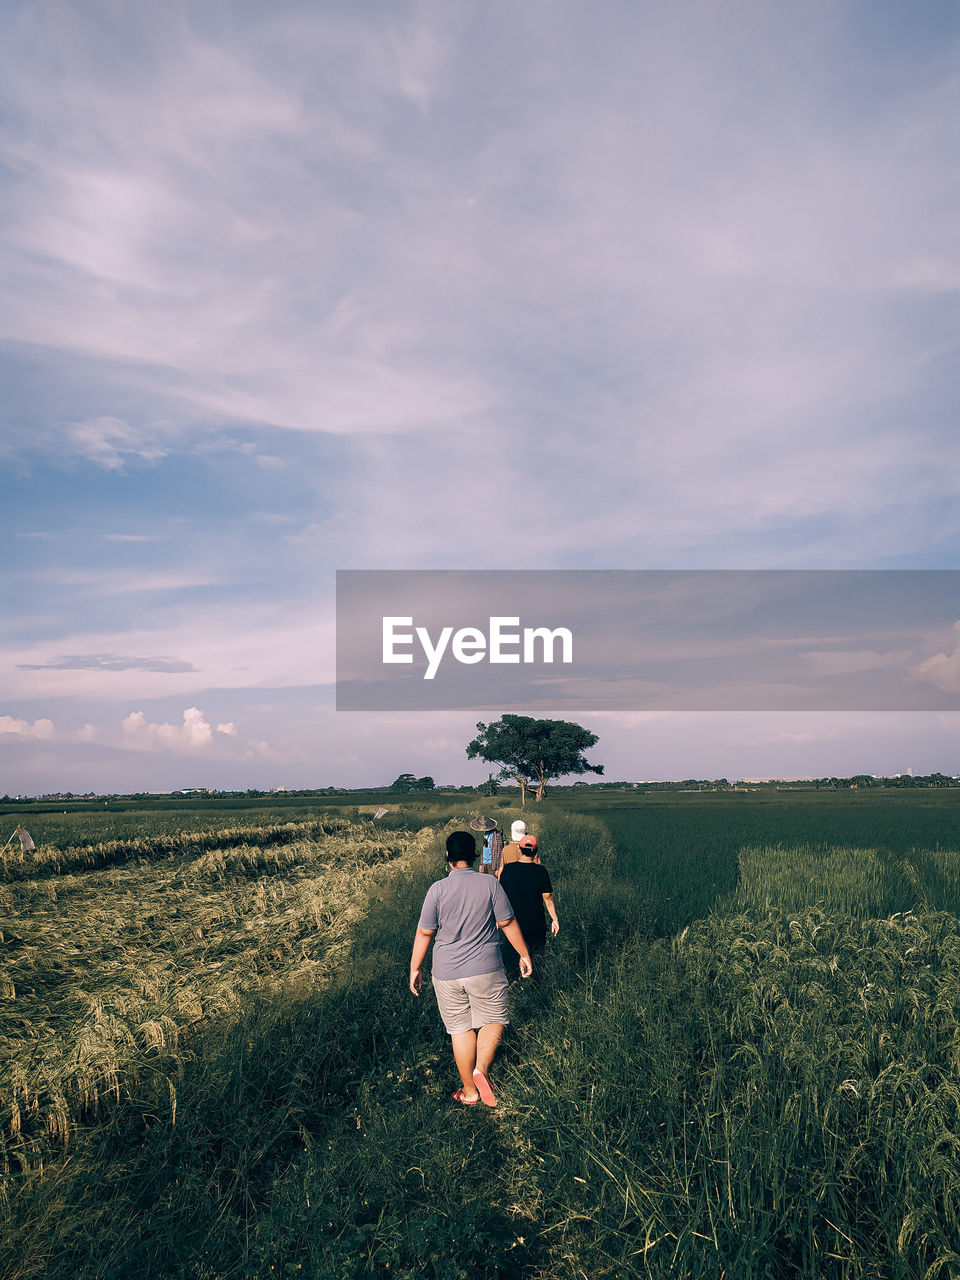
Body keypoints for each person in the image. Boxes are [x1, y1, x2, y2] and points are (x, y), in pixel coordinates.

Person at [410, 830, 532, 1106]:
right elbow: (508, 923)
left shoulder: (437, 890)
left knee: (460, 1030)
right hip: (485, 968)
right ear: (475, 855)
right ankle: (481, 1070)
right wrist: (524, 954)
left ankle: (469, 1091)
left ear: (448, 858)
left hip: (446, 973)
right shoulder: (490, 883)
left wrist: (414, 968)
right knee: (494, 1018)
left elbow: (424, 933)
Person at [498, 835, 559, 981]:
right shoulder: (541, 871)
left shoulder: (508, 870)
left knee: (511, 960)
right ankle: (536, 990)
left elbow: (500, 896)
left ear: (519, 849)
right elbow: (548, 898)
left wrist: (497, 919)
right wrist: (555, 919)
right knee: (537, 958)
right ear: (536, 851)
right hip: (536, 922)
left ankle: (512, 988)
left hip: (513, 923)